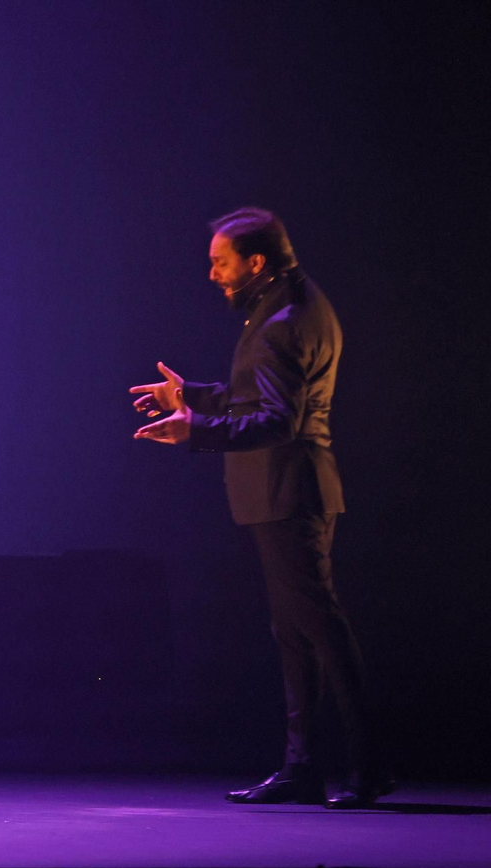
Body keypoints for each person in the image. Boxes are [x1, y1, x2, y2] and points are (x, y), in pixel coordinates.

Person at [131, 208, 386, 809]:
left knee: (320, 630)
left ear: (256, 262)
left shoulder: (282, 321)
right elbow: (259, 395)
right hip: (288, 491)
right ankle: (303, 767)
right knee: (297, 633)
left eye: (221, 263)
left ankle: (370, 768)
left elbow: (275, 420)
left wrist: (197, 431)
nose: (214, 275)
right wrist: (189, 396)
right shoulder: (297, 305)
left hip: (288, 491)